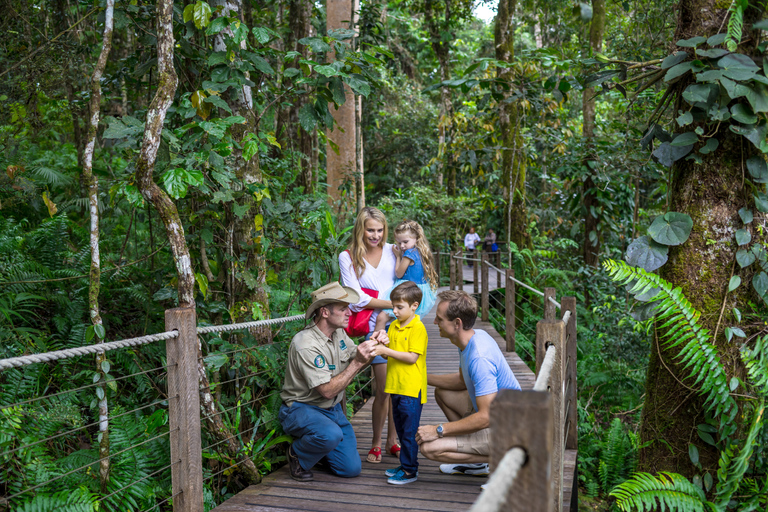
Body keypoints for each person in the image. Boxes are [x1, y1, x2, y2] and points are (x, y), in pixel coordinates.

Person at [279, 282, 388, 481]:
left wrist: (375, 344)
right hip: (301, 408)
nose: (349, 313)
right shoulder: (305, 344)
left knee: (351, 469)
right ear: (325, 312)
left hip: (332, 410)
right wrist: (356, 362)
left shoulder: (338, 333)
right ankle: (297, 454)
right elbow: (328, 391)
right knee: (329, 435)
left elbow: (359, 356)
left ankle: (319, 450)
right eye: (343, 308)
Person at [415, 290, 521, 477]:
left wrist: (438, 430)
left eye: (439, 319)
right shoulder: (471, 338)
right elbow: (461, 381)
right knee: (443, 392)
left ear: (457, 324)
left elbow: (485, 417)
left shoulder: (479, 357)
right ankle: (477, 460)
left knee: (429, 447)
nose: (434, 323)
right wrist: (421, 377)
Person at [338, 207, 400, 463]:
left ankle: (392, 441)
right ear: (360, 229)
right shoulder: (348, 256)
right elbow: (355, 299)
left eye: (379, 230)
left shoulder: (394, 251)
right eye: (370, 230)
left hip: (402, 325)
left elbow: (408, 282)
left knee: (400, 388)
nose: (375, 235)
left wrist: (396, 307)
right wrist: (395, 304)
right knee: (384, 388)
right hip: (373, 329)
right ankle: (376, 441)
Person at [370, 281, 429, 485]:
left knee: (409, 432)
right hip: (395, 386)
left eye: (399, 307)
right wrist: (383, 345)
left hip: (411, 389)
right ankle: (405, 464)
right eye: (393, 306)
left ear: (414, 306)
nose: (394, 311)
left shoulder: (418, 328)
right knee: (402, 430)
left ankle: (410, 471)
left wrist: (385, 351)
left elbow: (412, 357)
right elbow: (391, 357)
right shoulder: (394, 326)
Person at [374, 219, 438, 332]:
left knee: (381, 318)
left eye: (405, 242)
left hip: (407, 291)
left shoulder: (408, 254)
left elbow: (399, 274)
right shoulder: (421, 251)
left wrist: (398, 256)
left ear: (416, 238)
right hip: (419, 291)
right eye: (399, 242)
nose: (402, 246)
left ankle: (375, 346)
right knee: (406, 322)